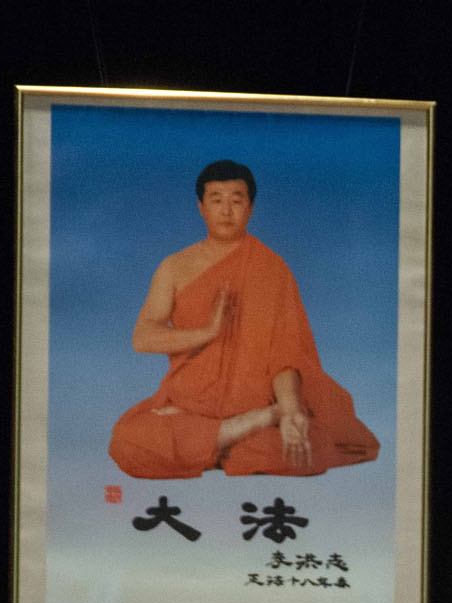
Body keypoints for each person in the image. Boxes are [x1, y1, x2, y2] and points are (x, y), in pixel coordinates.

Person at [108, 160, 380, 479]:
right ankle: (242, 429)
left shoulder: (271, 269)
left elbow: (286, 354)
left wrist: (290, 410)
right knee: (127, 441)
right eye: (216, 200)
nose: (226, 210)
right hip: (190, 403)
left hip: (252, 400)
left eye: (236, 201)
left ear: (250, 208)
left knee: (304, 447)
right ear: (201, 208)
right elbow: (143, 337)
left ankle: (214, 439)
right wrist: (208, 332)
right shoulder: (174, 267)